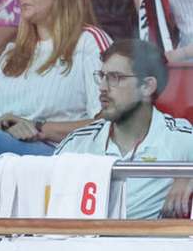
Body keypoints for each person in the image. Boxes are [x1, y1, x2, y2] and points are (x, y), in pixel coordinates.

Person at [0, 0, 113, 156]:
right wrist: (2, 125)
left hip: (59, 158)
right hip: (1, 157)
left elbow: (111, 122)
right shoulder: (10, 53)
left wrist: (39, 128)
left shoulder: (89, 41)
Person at [56, 39, 193, 219]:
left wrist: (189, 177)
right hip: (84, 243)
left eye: (115, 78)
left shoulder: (177, 138)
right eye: (102, 76)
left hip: (147, 245)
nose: (102, 87)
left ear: (147, 86)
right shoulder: (79, 143)